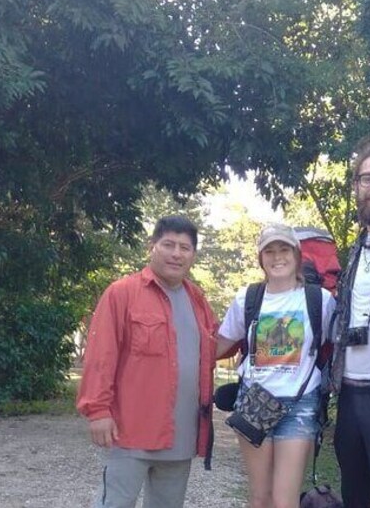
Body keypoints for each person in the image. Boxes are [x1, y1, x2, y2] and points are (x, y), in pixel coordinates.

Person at [77, 215, 218, 508]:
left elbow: (216, 347)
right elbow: (101, 355)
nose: (177, 253)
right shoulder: (122, 293)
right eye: (168, 244)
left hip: (182, 436)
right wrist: (98, 410)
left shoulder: (198, 300)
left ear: (193, 254)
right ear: (152, 246)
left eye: (185, 247)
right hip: (131, 431)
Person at [216, 223, 336, 508]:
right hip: (254, 402)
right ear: (260, 258)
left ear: (296, 254)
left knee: (284, 501)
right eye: (269, 251)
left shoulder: (320, 299)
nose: (277, 256)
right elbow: (217, 345)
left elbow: (340, 347)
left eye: (284, 249)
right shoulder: (248, 298)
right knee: (260, 498)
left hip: (299, 405)